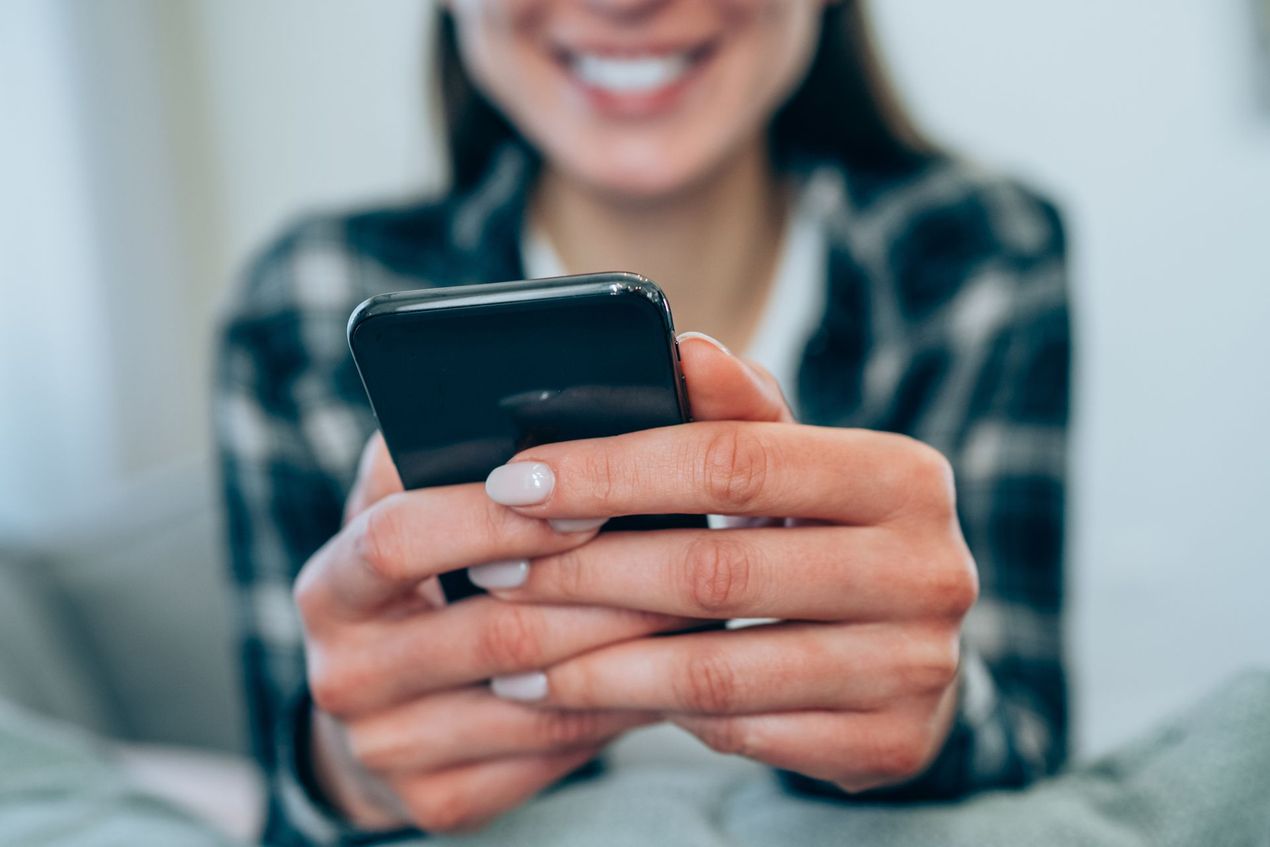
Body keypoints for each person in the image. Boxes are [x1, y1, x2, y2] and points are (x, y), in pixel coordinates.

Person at [216, 1, 1071, 844]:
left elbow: (1028, 769)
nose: (624, 5)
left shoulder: (977, 257)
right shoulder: (302, 307)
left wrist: (939, 717)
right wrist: (350, 776)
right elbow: (286, 816)